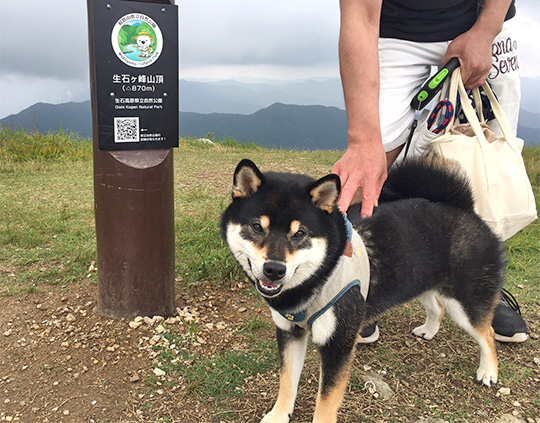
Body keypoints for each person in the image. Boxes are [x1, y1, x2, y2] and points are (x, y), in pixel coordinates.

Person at [334, 0, 527, 343]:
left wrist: (486, 29)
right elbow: (360, 15)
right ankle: (350, 282)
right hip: (396, 31)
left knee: (486, 160)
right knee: (371, 160)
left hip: (486, 19)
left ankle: (481, 287)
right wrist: (363, 140)